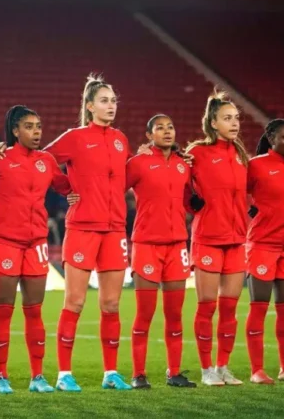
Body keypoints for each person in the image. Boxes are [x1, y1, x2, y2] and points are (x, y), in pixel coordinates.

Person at [0, 74, 133, 391]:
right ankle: (64, 374)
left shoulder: (121, 139)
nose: (111, 106)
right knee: (75, 302)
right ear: (90, 106)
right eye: (104, 101)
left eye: (113, 101)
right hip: (82, 228)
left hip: (115, 230)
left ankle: (111, 373)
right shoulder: (75, 137)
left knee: (111, 305)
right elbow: (41, 160)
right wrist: (5, 150)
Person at [0, 106, 71, 394]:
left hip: (36, 244)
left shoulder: (46, 160)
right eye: (29, 127)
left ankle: (37, 377)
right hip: (5, 242)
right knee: (3, 310)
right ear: (15, 130)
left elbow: (66, 186)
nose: (36, 132)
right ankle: (1, 377)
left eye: (38, 126)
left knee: (34, 311)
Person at [126, 114, 196, 389]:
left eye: (171, 127)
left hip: (177, 245)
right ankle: (138, 374)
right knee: (144, 314)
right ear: (148, 135)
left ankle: (174, 372)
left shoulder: (184, 165)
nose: (167, 131)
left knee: (175, 315)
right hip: (146, 245)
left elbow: (192, 201)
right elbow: (113, 187)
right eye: (160, 128)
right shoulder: (138, 163)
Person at [185, 91, 248, 386]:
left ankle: (223, 366)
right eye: (227, 118)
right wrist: (193, 207)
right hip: (208, 238)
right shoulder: (197, 153)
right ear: (213, 122)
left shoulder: (241, 156)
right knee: (207, 306)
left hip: (236, 240)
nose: (234, 123)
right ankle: (206, 368)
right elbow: (178, 184)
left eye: (236, 118)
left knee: (230, 308)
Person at [245, 119, 284, 384]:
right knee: (259, 308)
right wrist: (253, 213)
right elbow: (235, 193)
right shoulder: (255, 165)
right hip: (262, 244)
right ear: (271, 139)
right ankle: (257, 370)